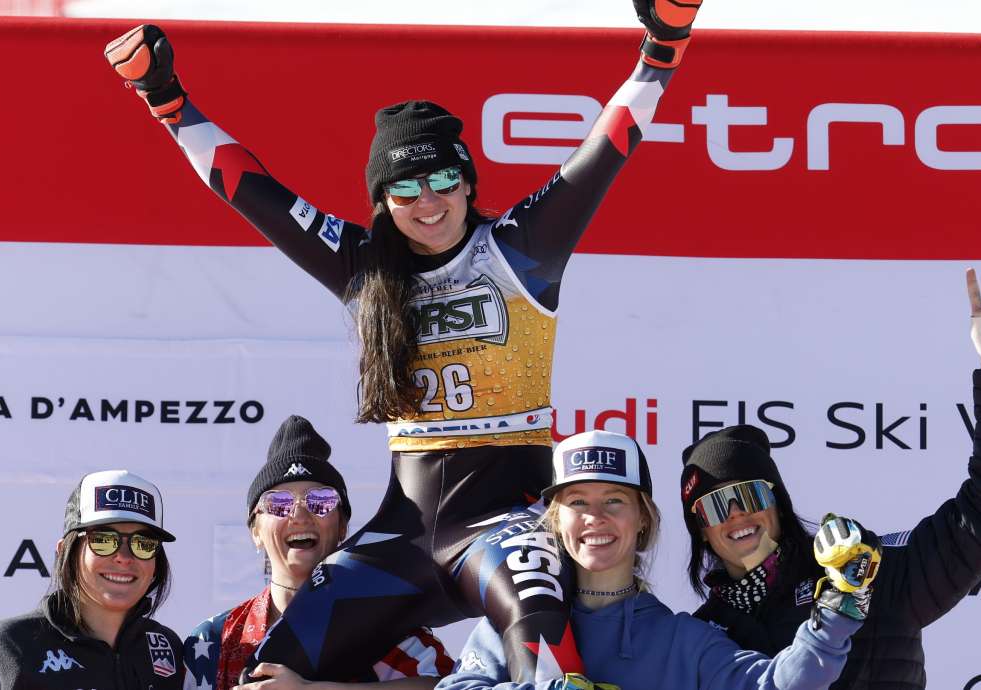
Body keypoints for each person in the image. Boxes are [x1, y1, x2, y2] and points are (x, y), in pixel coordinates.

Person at [105, 0, 705, 684]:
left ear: (467, 181)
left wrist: (661, 50)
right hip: (402, 539)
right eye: (406, 188)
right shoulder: (365, 269)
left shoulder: (520, 248)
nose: (429, 201)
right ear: (383, 201)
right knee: (275, 669)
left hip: (506, 526)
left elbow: (604, 148)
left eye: (444, 180)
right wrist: (167, 101)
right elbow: (254, 193)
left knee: (539, 644)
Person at [679, 269, 981, 689]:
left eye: (750, 495)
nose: (737, 515)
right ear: (701, 530)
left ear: (777, 502)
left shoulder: (867, 567)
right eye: (716, 506)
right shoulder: (702, 636)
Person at [437, 429, 880, 690]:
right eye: (577, 502)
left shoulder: (684, 641)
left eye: (614, 500)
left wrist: (838, 609)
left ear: (644, 521)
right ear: (556, 522)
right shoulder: (519, 617)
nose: (595, 518)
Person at [184, 415, 453, 690]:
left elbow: (451, 686)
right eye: (278, 503)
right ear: (255, 531)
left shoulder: (388, 630)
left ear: (342, 527)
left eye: (320, 501)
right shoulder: (214, 640)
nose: (300, 515)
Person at [0, 470, 183, 689]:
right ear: (65, 552)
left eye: (143, 544)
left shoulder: (167, 647)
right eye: (103, 540)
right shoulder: (6, 647)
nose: (123, 557)